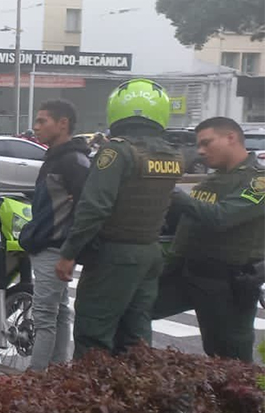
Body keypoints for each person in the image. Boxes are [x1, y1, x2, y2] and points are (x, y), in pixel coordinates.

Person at [56, 79, 183, 359]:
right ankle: (136, 396)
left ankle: (91, 401)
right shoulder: (172, 155)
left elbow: (94, 208)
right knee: (136, 338)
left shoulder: (117, 152)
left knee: (93, 335)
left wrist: (69, 253)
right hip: (150, 252)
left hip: (114, 255)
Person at [153, 117, 264, 362]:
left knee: (230, 358)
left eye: (206, 143)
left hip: (228, 283)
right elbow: (189, 224)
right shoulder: (215, 178)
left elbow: (221, 217)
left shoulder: (258, 181)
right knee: (134, 311)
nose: (200, 151)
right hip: (188, 273)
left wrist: (173, 193)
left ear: (231, 138)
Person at [18, 100, 91, 371]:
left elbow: (86, 210)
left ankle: (35, 379)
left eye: (42, 121)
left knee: (45, 317)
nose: (36, 127)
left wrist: (70, 252)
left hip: (55, 249)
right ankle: (58, 374)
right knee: (59, 313)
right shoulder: (57, 158)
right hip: (48, 245)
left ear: (63, 124)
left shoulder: (74, 161)